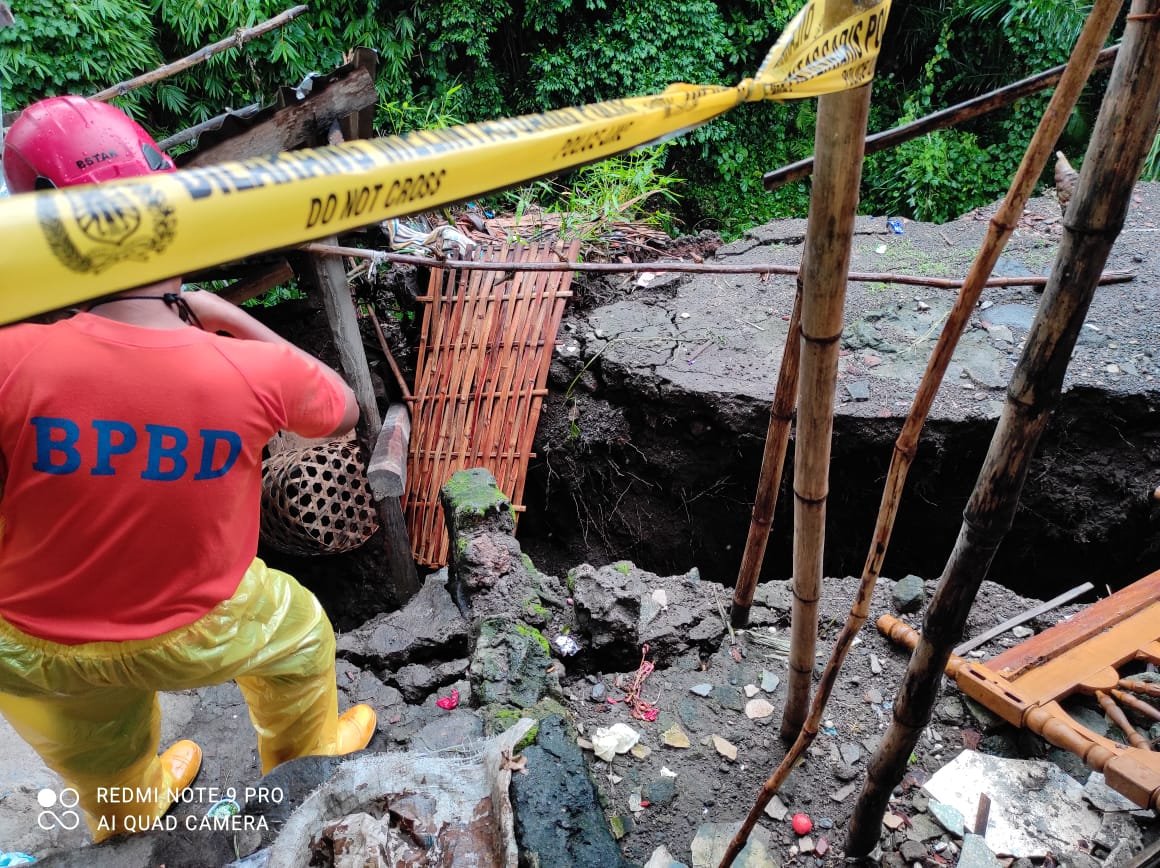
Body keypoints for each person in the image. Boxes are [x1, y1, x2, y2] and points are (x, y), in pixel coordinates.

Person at [0, 95, 377, 840]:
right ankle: (301, 771)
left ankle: (130, 804)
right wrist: (224, 316)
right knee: (301, 637)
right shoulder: (243, 370)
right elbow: (339, 410)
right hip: (206, 623)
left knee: (93, 749)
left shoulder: (11, 361)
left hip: (32, 644)